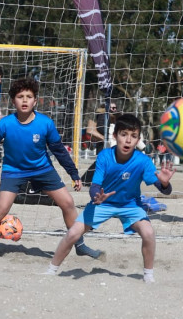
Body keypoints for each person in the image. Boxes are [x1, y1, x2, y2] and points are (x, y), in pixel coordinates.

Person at [0, 77, 102, 259]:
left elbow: (59, 151)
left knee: (68, 203)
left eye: (29, 96)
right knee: (2, 207)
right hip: (13, 170)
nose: (24, 100)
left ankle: (79, 245)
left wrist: (74, 174)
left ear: (34, 100)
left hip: (42, 169)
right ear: (13, 100)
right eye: (20, 96)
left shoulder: (45, 123)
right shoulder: (5, 123)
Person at [43, 114, 175, 283]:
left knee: (149, 233)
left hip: (130, 205)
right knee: (73, 233)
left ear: (138, 140)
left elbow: (165, 190)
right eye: (124, 134)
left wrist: (164, 183)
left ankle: (148, 277)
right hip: (103, 203)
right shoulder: (105, 156)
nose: (128, 140)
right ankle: (51, 271)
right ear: (115, 136)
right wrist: (97, 197)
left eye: (133, 136)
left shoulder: (143, 161)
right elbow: (95, 185)